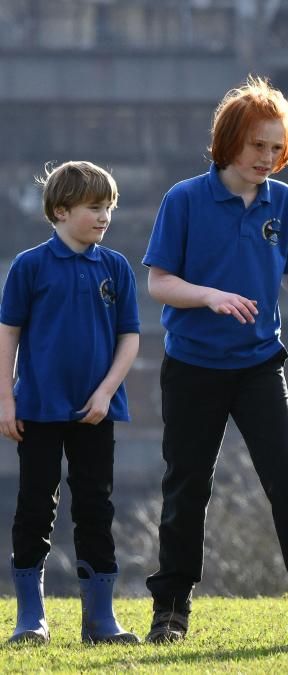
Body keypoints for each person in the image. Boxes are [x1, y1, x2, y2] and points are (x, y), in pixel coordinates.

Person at [141, 76, 288, 643]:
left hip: (258, 365)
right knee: (186, 487)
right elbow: (158, 282)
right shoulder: (185, 200)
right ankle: (170, 612)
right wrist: (209, 296)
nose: (267, 158)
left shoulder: (285, 202)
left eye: (277, 148)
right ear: (229, 141)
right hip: (193, 366)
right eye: (257, 146)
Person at [0, 161, 140, 644]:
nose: (104, 217)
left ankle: (100, 620)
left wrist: (105, 392)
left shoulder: (116, 267)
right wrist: (6, 399)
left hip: (95, 412)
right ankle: (30, 619)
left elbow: (129, 338)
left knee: (96, 508)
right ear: (60, 211)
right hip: (37, 409)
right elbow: (8, 334)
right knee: (34, 507)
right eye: (94, 207)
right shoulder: (29, 266)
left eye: (109, 208)